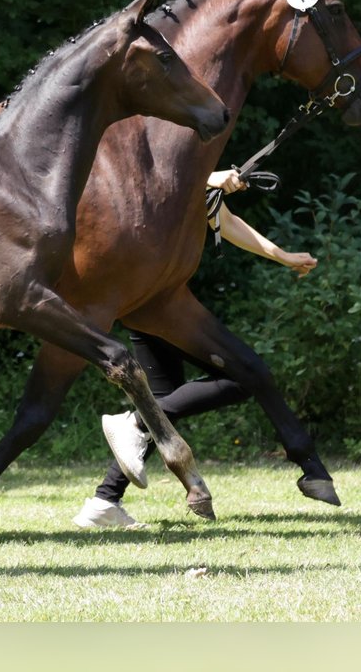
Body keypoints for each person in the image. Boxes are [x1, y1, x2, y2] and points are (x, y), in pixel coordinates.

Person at [72, 168, 318, 530]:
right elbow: (144, 181)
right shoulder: (162, 160)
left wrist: (281, 255)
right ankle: (135, 423)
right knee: (240, 377)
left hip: (158, 304)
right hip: (156, 307)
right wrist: (207, 176)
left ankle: (104, 500)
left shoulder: (191, 169)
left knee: (165, 409)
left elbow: (224, 219)